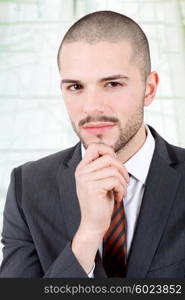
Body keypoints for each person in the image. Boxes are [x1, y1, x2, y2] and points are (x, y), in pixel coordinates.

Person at [0, 10, 184, 278]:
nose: (92, 107)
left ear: (149, 88)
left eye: (112, 83)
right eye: (75, 87)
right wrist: (86, 238)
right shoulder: (27, 189)